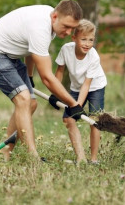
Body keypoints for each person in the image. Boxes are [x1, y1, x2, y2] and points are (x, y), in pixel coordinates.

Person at [0, 0, 84, 161]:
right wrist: (73, 104)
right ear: (54, 17)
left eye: (72, 28)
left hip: (10, 55)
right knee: (23, 99)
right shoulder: (40, 27)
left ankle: (5, 153)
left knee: (30, 104)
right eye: (66, 26)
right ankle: (33, 157)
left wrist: (30, 76)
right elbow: (47, 78)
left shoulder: (51, 22)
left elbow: (32, 51)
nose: (68, 32)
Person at [49, 19, 107, 165]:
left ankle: (93, 159)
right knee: (68, 119)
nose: (87, 43)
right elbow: (60, 72)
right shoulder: (66, 50)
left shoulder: (94, 56)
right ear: (74, 38)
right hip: (76, 87)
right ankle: (80, 158)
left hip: (95, 87)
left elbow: (87, 85)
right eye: (83, 39)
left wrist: (78, 106)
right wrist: (55, 93)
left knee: (94, 121)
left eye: (91, 40)